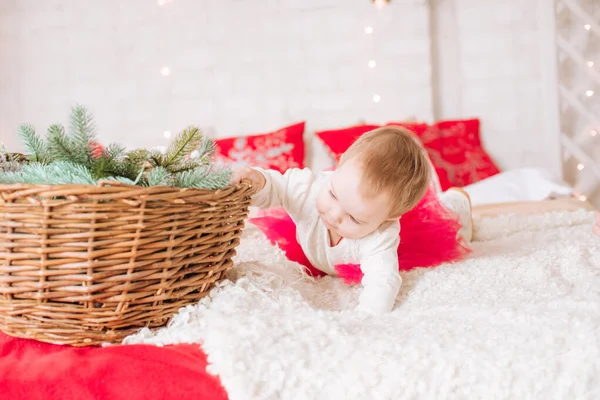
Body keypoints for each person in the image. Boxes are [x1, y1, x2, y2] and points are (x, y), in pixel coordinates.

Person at [232, 126, 472, 314]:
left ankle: (458, 199)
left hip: (401, 235)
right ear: (341, 163)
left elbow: (383, 280)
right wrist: (258, 181)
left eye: (354, 218)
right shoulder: (309, 191)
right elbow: (278, 187)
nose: (334, 216)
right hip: (321, 250)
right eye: (333, 195)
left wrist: (367, 316)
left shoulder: (380, 235)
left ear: (388, 218)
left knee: (449, 221)